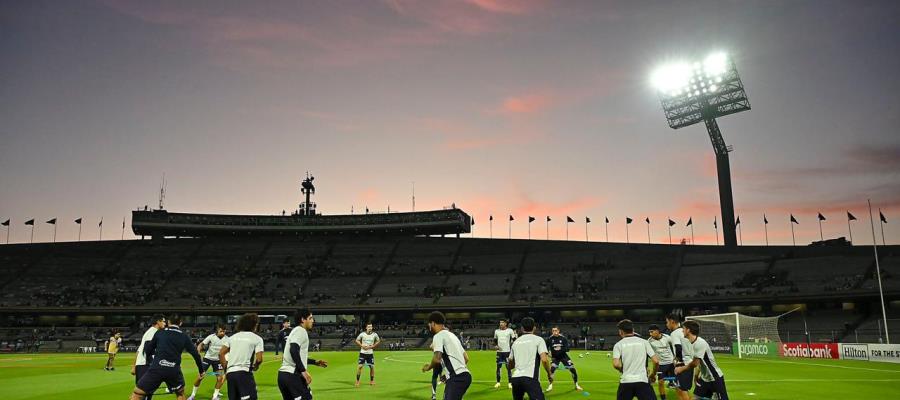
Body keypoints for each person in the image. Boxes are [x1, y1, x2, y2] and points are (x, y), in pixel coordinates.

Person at [130, 314, 204, 400]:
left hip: (157, 368)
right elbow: (195, 354)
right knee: (180, 394)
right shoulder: (184, 336)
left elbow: (148, 350)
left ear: (169, 322)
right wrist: (201, 370)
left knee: (137, 394)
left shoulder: (160, 332)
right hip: (173, 370)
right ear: (180, 323)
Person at [278, 309, 328, 400]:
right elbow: (293, 350)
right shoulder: (301, 331)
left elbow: (297, 355)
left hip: (283, 375)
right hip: (292, 376)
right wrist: (304, 372)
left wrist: (315, 362)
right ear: (303, 320)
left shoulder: (294, 331)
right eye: (310, 318)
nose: (313, 320)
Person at [422, 311, 471, 400]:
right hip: (465, 376)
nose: (429, 327)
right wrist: (448, 375)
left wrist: (428, 367)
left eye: (429, 325)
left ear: (433, 323)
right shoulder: (452, 336)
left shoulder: (438, 336)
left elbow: (437, 359)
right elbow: (466, 358)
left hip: (456, 378)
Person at [675, 321, 729, 400]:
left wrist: (681, 369)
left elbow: (695, 363)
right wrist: (696, 375)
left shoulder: (700, 343)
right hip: (704, 379)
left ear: (688, 330)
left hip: (715, 378)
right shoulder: (691, 343)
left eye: (684, 328)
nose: (682, 330)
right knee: (696, 398)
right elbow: (700, 362)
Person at [220, 313, 264, 400]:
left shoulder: (232, 338)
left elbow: (221, 353)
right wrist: (256, 366)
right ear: (253, 325)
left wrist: (226, 368)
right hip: (244, 373)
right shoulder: (257, 338)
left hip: (230, 374)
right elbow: (259, 359)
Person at [612, 319, 659, 400]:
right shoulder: (644, 342)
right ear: (633, 330)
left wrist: (623, 369)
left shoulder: (618, 345)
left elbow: (616, 364)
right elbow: (656, 361)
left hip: (626, 382)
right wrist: (653, 374)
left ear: (621, 331)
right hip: (642, 381)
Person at [508, 317, 552, 400]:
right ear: (534, 328)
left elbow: (510, 364)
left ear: (521, 328)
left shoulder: (515, 342)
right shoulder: (539, 340)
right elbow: (544, 360)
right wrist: (549, 374)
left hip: (516, 379)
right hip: (530, 378)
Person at [188, 325, 229, 400]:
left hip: (218, 360)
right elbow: (201, 344)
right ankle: (192, 395)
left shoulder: (227, 339)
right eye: (221, 331)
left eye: (224, 331)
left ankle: (214, 396)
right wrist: (198, 352)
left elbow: (229, 349)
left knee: (220, 378)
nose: (223, 333)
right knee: (200, 377)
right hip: (207, 359)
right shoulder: (211, 337)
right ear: (217, 331)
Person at [132, 315, 166, 400]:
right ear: (158, 322)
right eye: (163, 321)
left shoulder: (150, 332)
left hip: (142, 365)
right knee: (143, 393)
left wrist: (134, 366)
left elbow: (139, 351)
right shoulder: (153, 332)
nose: (165, 323)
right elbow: (148, 351)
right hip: (146, 365)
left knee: (142, 393)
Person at [545, 326, 582, 392]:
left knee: (572, 369)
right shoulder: (549, 339)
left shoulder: (563, 338)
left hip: (564, 356)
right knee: (552, 370)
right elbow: (545, 348)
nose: (554, 332)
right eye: (553, 331)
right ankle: (550, 385)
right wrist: (548, 354)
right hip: (555, 358)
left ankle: (576, 384)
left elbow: (567, 349)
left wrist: (559, 350)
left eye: (556, 330)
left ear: (559, 331)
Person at [666, 313, 694, 400]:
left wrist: (677, 360)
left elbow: (678, 348)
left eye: (667, 322)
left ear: (672, 322)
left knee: (682, 390)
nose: (666, 324)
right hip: (689, 362)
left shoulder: (674, 333)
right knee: (679, 388)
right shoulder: (684, 331)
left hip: (682, 364)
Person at [647, 324, 676, 400]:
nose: (650, 334)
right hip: (661, 365)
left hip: (671, 363)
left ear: (657, 331)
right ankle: (663, 399)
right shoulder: (649, 341)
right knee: (660, 382)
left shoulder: (667, 337)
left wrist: (676, 357)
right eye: (649, 332)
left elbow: (675, 346)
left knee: (678, 383)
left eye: (652, 332)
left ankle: (679, 394)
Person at [493, 319, 517, 389]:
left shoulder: (510, 331)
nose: (501, 324)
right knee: (498, 367)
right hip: (499, 352)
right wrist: (496, 346)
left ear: (506, 323)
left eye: (502, 322)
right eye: (500, 322)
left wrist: (513, 347)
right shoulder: (496, 331)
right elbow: (494, 341)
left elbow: (515, 340)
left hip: (507, 352)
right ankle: (498, 382)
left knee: (508, 367)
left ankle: (510, 383)